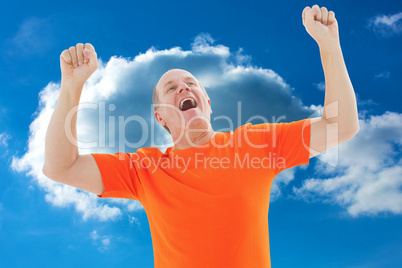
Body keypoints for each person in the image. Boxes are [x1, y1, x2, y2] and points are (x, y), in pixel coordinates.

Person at [42, 5, 359, 268]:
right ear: (161, 117)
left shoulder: (256, 144)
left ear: (207, 102)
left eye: (191, 83)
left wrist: (330, 47)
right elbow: (60, 167)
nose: (184, 87)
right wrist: (72, 87)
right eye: (171, 88)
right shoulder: (144, 170)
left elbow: (341, 125)